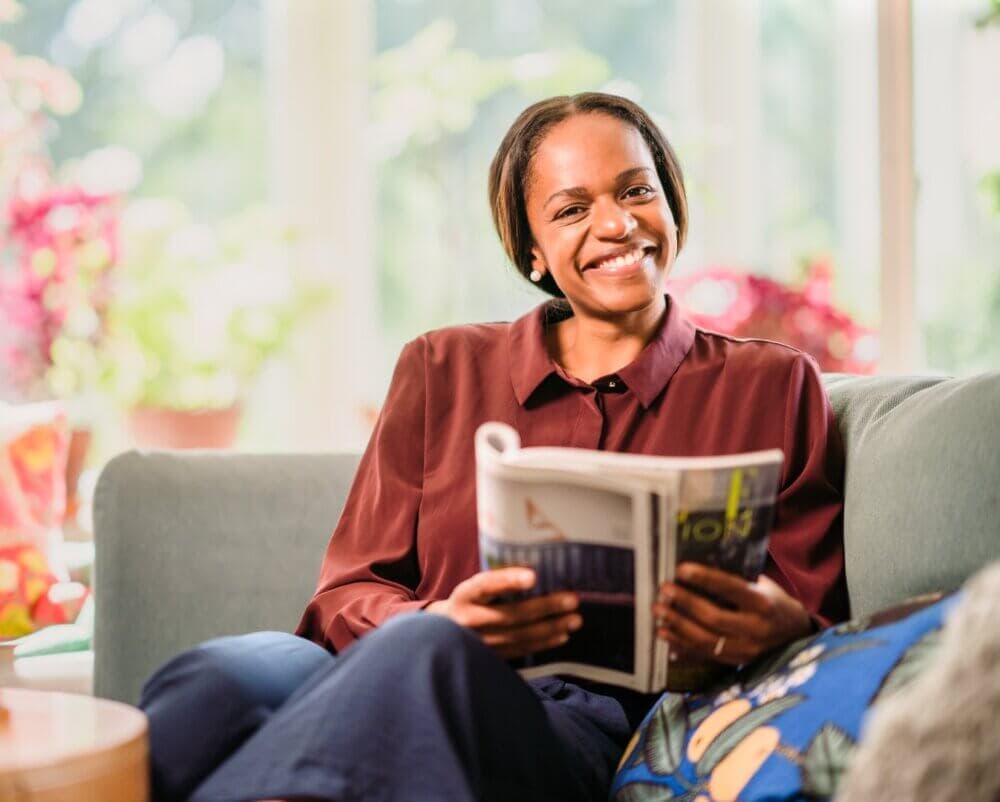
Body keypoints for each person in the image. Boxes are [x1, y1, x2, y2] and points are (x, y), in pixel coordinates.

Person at [140, 93, 848, 802]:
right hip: (374, 675)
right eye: (572, 209)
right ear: (533, 250)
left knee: (429, 657)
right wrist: (442, 619)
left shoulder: (770, 383)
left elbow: (815, 614)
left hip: (573, 728)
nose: (616, 223)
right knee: (212, 683)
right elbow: (344, 595)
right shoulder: (439, 367)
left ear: (672, 207)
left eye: (637, 190)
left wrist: (774, 620)